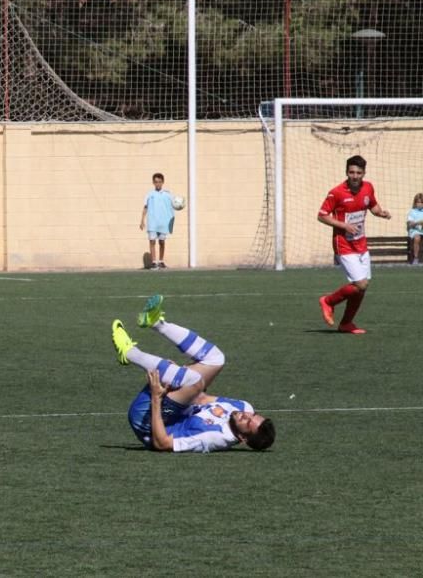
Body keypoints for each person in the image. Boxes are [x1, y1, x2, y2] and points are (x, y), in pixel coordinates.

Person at [111, 294, 276, 453]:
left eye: (247, 422)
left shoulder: (214, 437)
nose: (246, 415)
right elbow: (201, 398)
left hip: (147, 422)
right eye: (252, 415)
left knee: (193, 380)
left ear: (242, 438)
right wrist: (178, 376)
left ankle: (129, 353)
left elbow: (162, 444)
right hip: (170, 407)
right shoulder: (243, 407)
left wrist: (156, 398)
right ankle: (156, 323)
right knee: (216, 359)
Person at [316, 155, 391, 334]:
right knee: (361, 284)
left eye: (358, 172)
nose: (355, 176)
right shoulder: (336, 192)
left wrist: (380, 213)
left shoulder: (368, 187)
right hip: (344, 245)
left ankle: (346, 324)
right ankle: (328, 301)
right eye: (351, 172)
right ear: (346, 172)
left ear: (364, 173)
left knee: (361, 290)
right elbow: (322, 215)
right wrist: (344, 225)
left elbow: (372, 205)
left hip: (361, 244)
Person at [140, 172, 175, 269]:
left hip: (163, 222)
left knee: (162, 242)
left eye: (159, 182)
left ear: (163, 182)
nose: (158, 184)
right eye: (156, 182)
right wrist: (142, 220)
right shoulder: (150, 194)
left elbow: (175, 205)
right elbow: (145, 207)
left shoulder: (168, 195)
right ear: (153, 183)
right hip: (152, 222)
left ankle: (161, 261)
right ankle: (154, 262)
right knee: (152, 241)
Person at [407, 192, 423, 265]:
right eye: (418, 202)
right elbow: (410, 224)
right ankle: (416, 258)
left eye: (421, 202)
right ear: (415, 203)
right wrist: (418, 223)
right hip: (415, 231)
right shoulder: (412, 212)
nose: (420, 204)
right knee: (417, 237)